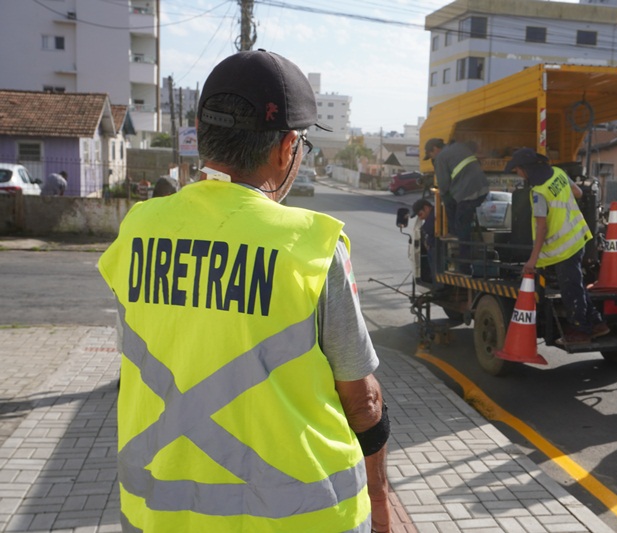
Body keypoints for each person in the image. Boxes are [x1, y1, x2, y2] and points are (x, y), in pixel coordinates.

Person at [98, 50, 390, 532]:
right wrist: (380, 501)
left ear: (201, 134)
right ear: (287, 147)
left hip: (161, 516)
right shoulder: (310, 245)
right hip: (306, 519)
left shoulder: (139, 230)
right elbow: (363, 402)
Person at [505, 148, 609, 345]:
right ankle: (596, 322)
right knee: (576, 285)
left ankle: (580, 330)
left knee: (570, 289)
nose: (517, 174)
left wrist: (532, 261)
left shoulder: (538, 193)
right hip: (578, 238)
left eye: (517, 170)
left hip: (563, 249)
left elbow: (541, 227)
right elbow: (578, 193)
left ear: (526, 169)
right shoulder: (559, 173)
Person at [424, 137, 489, 274]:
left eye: (430, 155)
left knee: (462, 228)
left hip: (467, 193)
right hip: (482, 189)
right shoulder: (460, 146)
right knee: (464, 218)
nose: (432, 158)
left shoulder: (441, 157)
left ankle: (464, 267)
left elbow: (443, 185)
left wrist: (446, 200)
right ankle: (456, 232)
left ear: (435, 149)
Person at [411, 198, 436, 281]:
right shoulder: (434, 214)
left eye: (420, 214)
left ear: (426, 208)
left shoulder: (434, 215)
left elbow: (428, 229)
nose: (421, 218)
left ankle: (436, 280)